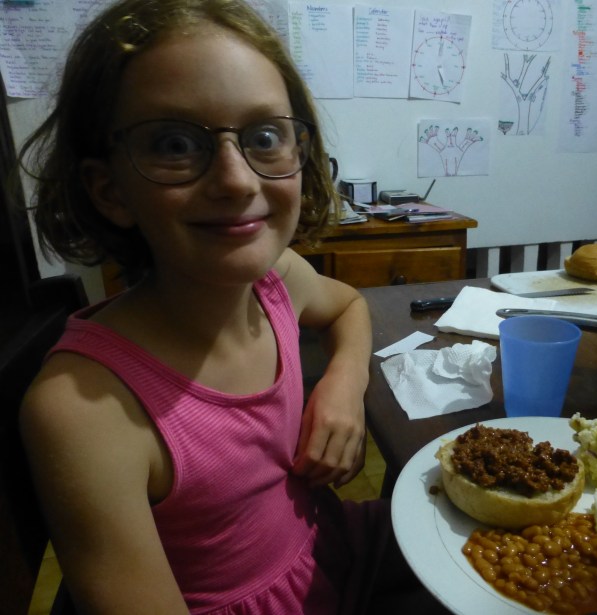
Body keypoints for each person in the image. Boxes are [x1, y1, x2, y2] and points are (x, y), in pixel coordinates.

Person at [17, 1, 426, 612]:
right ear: (110, 190)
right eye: (175, 143)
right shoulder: (84, 413)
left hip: (335, 552)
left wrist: (341, 385)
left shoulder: (276, 282)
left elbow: (348, 308)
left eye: (264, 137)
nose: (237, 180)